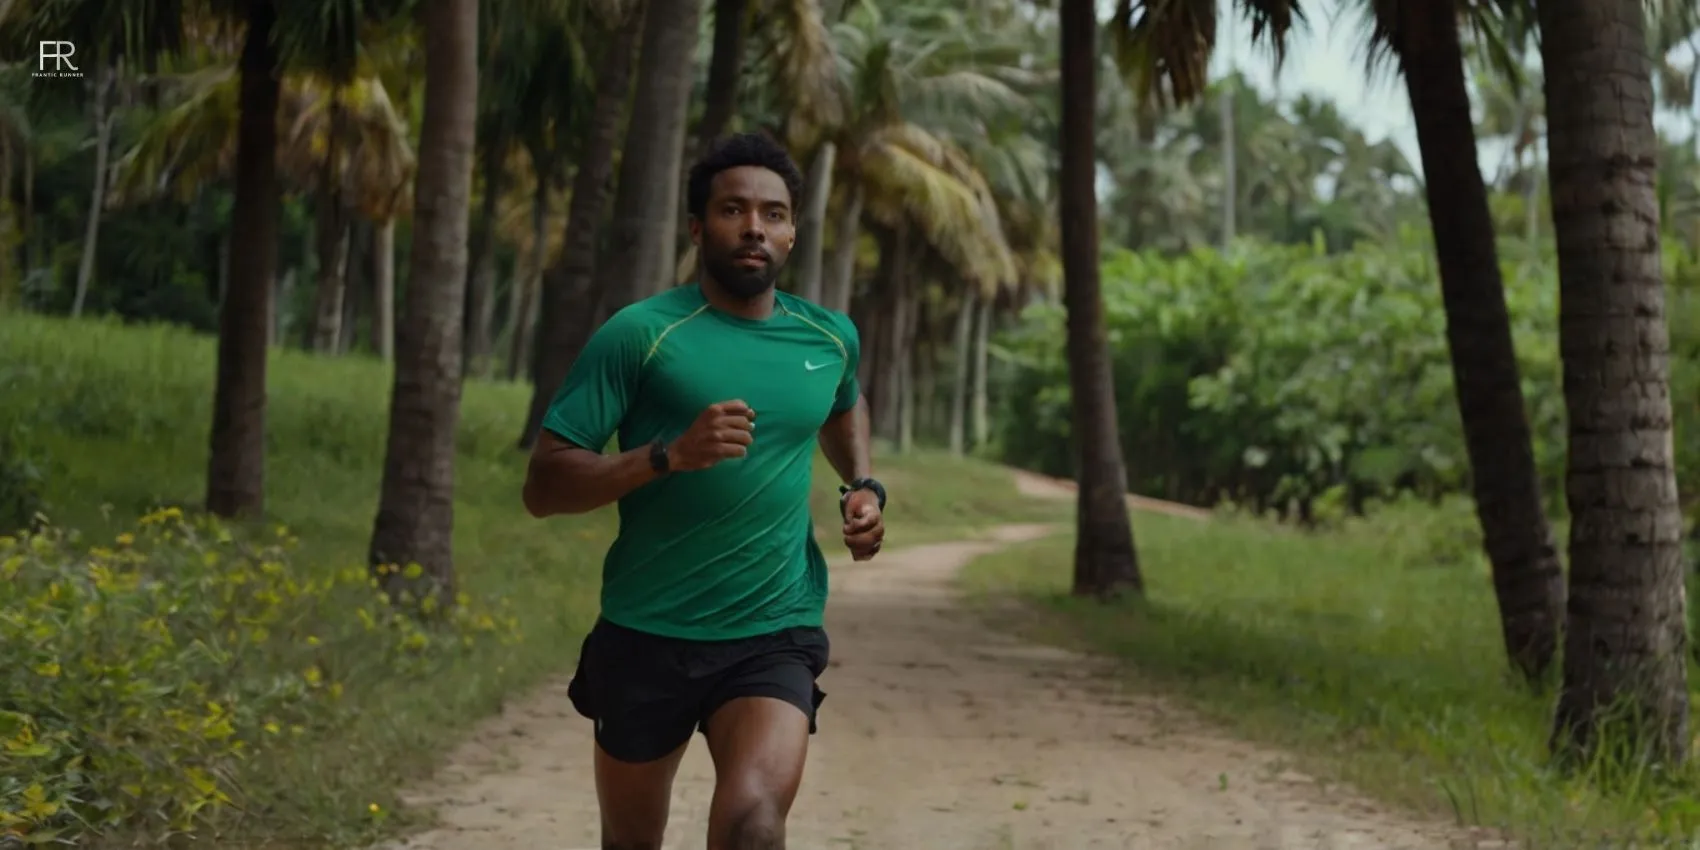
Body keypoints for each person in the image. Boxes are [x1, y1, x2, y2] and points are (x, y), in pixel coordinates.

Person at [521, 132, 886, 850]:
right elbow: (544, 485)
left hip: (772, 629)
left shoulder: (828, 337)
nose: (756, 226)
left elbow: (844, 405)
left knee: (753, 827)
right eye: (733, 209)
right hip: (647, 631)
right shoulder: (640, 336)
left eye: (774, 214)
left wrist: (862, 483)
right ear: (697, 227)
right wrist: (666, 456)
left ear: (791, 232)